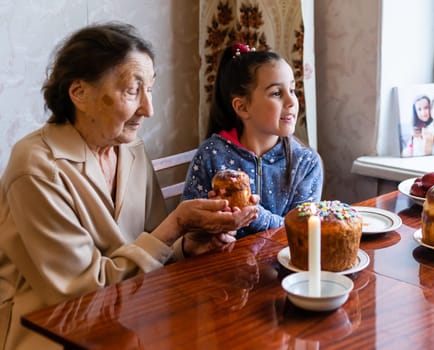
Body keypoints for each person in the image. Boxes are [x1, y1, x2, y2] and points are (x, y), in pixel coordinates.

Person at [0, 23, 258, 350]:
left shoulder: (130, 149)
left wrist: (188, 244)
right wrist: (176, 223)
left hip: (129, 321)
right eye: (133, 90)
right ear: (79, 93)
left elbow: (146, 245)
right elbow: (79, 296)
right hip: (53, 334)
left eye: (150, 89)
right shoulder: (37, 168)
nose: (148, 109)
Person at [182, 43, 323, 238]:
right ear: (242, 107)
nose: (292, 102)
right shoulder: (211, 155)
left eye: (292, 89)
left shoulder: (306, 162)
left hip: (283, 265)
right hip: (221, 265)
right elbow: (189, 228)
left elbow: (302, 231)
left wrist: (254, 214)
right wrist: (213, 227)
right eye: (276, 93)